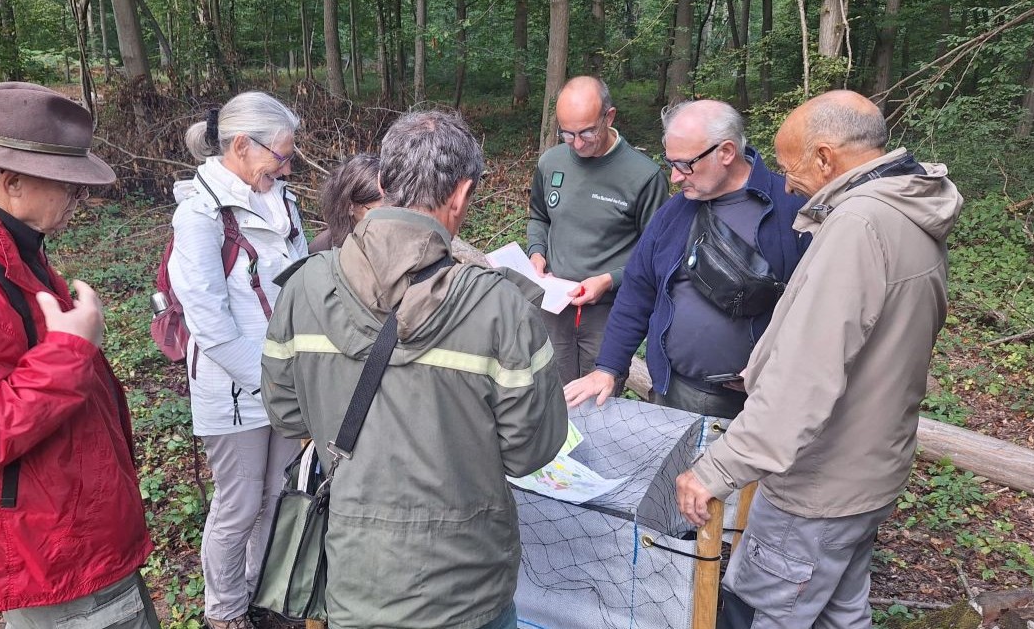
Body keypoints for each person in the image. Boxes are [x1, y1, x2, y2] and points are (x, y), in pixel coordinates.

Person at [262, 110, 568, 629]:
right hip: (467, 587)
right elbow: (530, 450)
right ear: (462, 194)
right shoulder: (501, 307)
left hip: (355, 576)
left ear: (381, 181)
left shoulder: (303, 289)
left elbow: (288, 416)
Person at [675, 90, 964, 628]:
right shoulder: (913, 209)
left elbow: (804, 381)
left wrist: (713, 470)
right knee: (840, 613)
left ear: (827, 158)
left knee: (770, 614)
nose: (785, 184)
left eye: (790, 168)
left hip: (819, 487)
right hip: (872, 472)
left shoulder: (858, 228)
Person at [0, 82, 157, 627]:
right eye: (69, 185)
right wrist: (70, 350)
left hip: (71, 533)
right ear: (12, 183)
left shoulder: (8, 247)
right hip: (55, 554)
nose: (78, 198)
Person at [565, 100, 809, 418]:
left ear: (726, 152)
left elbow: (819, 311)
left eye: (684, 165)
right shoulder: (673, 214)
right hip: (672, 393)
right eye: (671, 164)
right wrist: (608, 367)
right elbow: (637, 293)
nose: (676, 178)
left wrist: (775, 363)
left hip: (759, 408)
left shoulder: (792, 211)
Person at [168, 92, 308, 629]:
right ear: (243, 147)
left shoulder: (282, 199)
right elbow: (210, 322)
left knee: (275, 493)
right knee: (239, 502)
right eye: (281, 154)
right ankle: (224, 613)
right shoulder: (199, 214)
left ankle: (258, 593)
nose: (287, 164)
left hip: (284, 380)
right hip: (235, 391)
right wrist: (272, 384)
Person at [527, 75, 669, 386]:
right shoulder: (551, 163)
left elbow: (656, 255)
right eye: (567, 134)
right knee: (552, 391)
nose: (577, 144)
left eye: (587, 132)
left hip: (608, 313)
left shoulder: (644, 177)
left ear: (609, 116)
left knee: (598, 403)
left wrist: (608, 281)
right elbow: (539, 216)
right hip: (553, 305)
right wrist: (536, 253)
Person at [309, 153, 383, 253]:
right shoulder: (322, 250)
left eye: (390, 208)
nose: (385, 218)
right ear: (350, 207)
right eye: (377, 212)